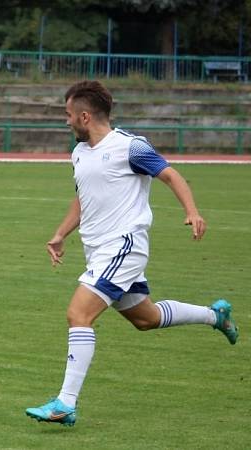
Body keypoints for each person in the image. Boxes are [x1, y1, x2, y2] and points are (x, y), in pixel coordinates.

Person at [24, 80, 238, 427]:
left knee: (79, 314)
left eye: (67, 115)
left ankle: (65, 403)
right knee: (146, 319)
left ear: (84, 116)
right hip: (99, 253)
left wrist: (192, 211)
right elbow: (84, 197)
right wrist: (61, 233)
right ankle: (217, 316)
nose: (65, 122)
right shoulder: (78, 153)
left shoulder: (130, 147)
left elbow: (171, 175)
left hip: (124, 247)